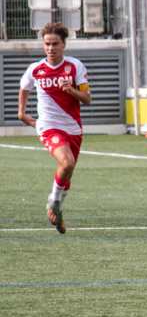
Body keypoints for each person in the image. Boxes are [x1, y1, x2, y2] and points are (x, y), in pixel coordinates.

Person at [18, 22, 91, 234]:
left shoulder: (75, 67)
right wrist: (21, 112)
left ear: (64, 45)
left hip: (73, 128)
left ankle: (58, 211)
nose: (51, 48)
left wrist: (72, 90)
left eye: (55, 44)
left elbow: (87, 99)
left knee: (67, 172)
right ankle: (55, 202)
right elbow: (25, 86)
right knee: (66, 163)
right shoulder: (36, 69)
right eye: (47, 44)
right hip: (48, 126)